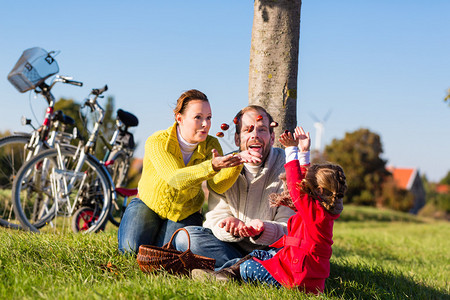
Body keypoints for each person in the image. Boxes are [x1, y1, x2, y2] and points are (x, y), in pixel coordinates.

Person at [192, 126, 347, 295]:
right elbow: (304, 183)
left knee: (249, 267)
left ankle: (229, 276)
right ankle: (223, 273)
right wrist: (304, 152)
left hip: (297, 278)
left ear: (319, 190)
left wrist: (291, 150)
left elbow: (296, 186)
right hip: (298, 267)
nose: (305, 183)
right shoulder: (320, 209)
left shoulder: (314, 211)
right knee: (258, 254)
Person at [118, 89, 261, 254]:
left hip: (186, 211)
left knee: (165, 255)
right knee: (130, 250)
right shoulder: (157, 141)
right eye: (198, 117)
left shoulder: (211, 144)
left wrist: (237, 162)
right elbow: (175, 178)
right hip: (148, 205)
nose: (205, 124)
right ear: (179, 118)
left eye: (208, 118)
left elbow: (217, 187)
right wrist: (212, 166)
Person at [173, 105, 296, 267]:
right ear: (237, 139)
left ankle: (235, 269)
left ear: (272, 138)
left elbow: (291, 227)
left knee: (294, 250)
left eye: (262, 130)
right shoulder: (224, 166)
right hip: (230, 247)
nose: (255, 136)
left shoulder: (288, 168)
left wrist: (264, 229)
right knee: (186, 238)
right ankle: (251, 269)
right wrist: (228, 226)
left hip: (271, 248)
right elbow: (213, 220)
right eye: (247, 130)